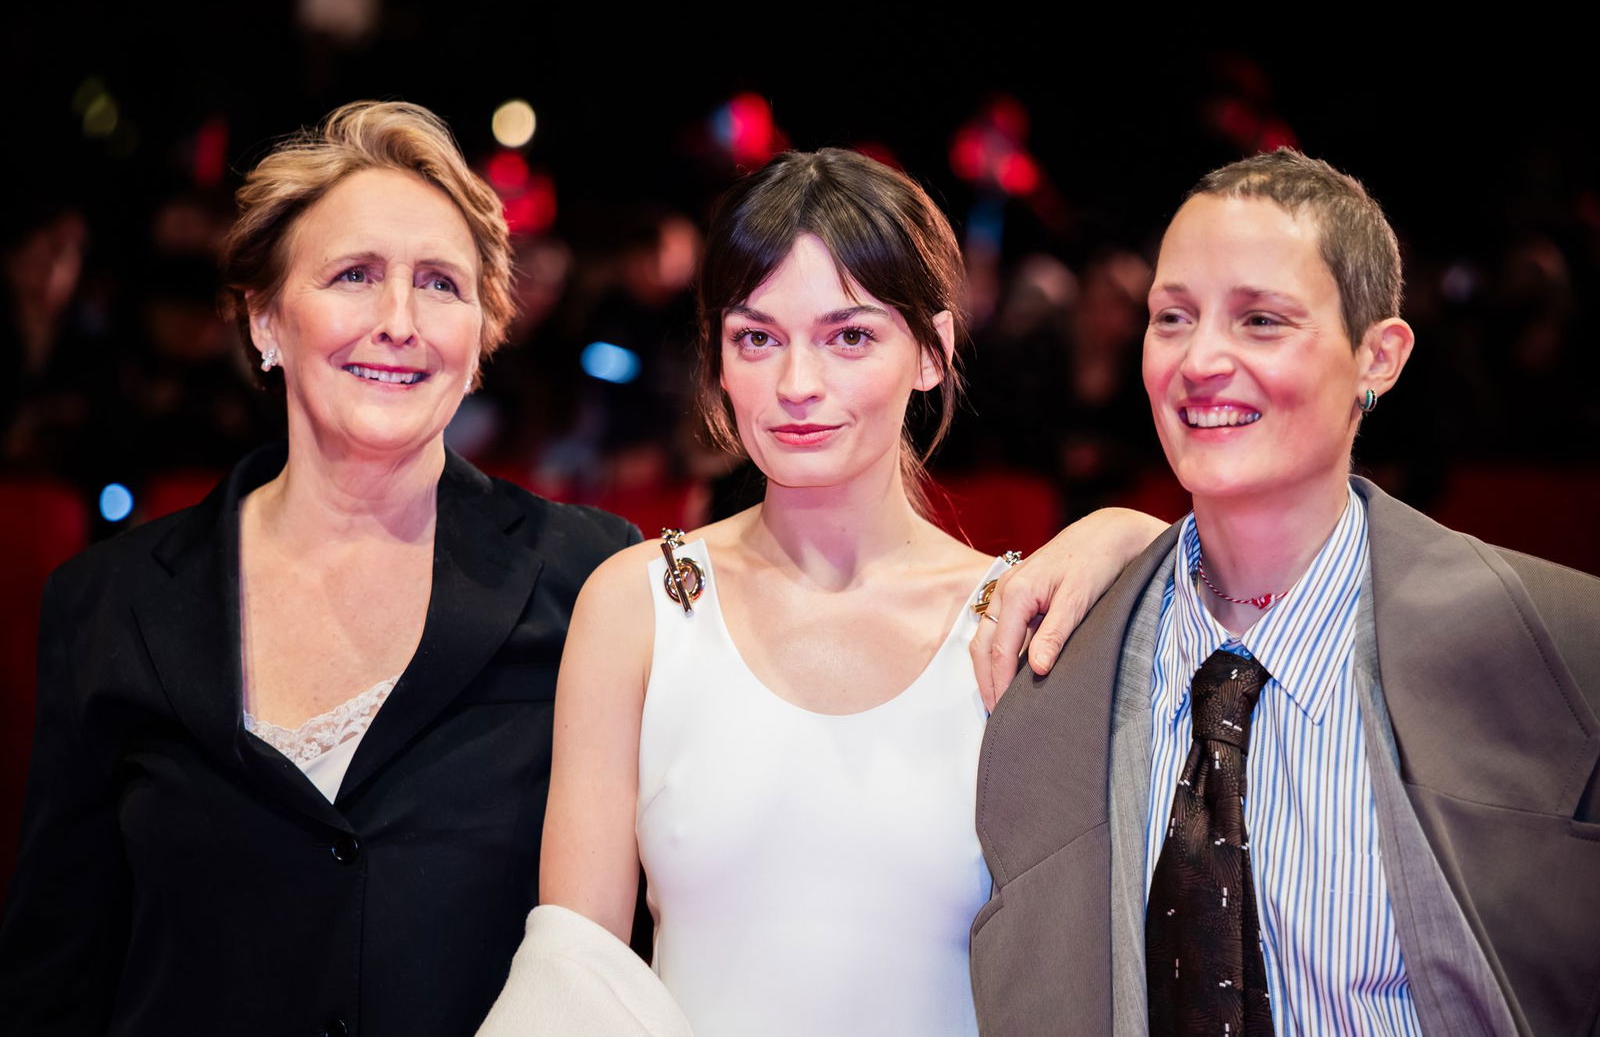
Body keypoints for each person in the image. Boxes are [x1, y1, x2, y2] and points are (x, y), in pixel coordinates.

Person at [478, 149, 1164, 1037]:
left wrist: (1133, 535)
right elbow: (575, 984)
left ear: (932, 352)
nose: (798, 385)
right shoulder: (639, 607)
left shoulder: (1020, 622)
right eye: (757, 337)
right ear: (719, 357)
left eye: (850, 336)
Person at [0, 101, 639, 1037]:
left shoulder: (594, 580)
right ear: (265, 320)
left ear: (480, 342)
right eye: (353, 275)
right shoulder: (110, 603)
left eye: (439, 284)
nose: (398, 321)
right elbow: (57, 972)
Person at [969, 149, 1600, 1036]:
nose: (1201, 360)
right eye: (1172, 317)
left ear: (1378, 356)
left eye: (1261, 320)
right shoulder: (1063, 666)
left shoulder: (1564, 654)